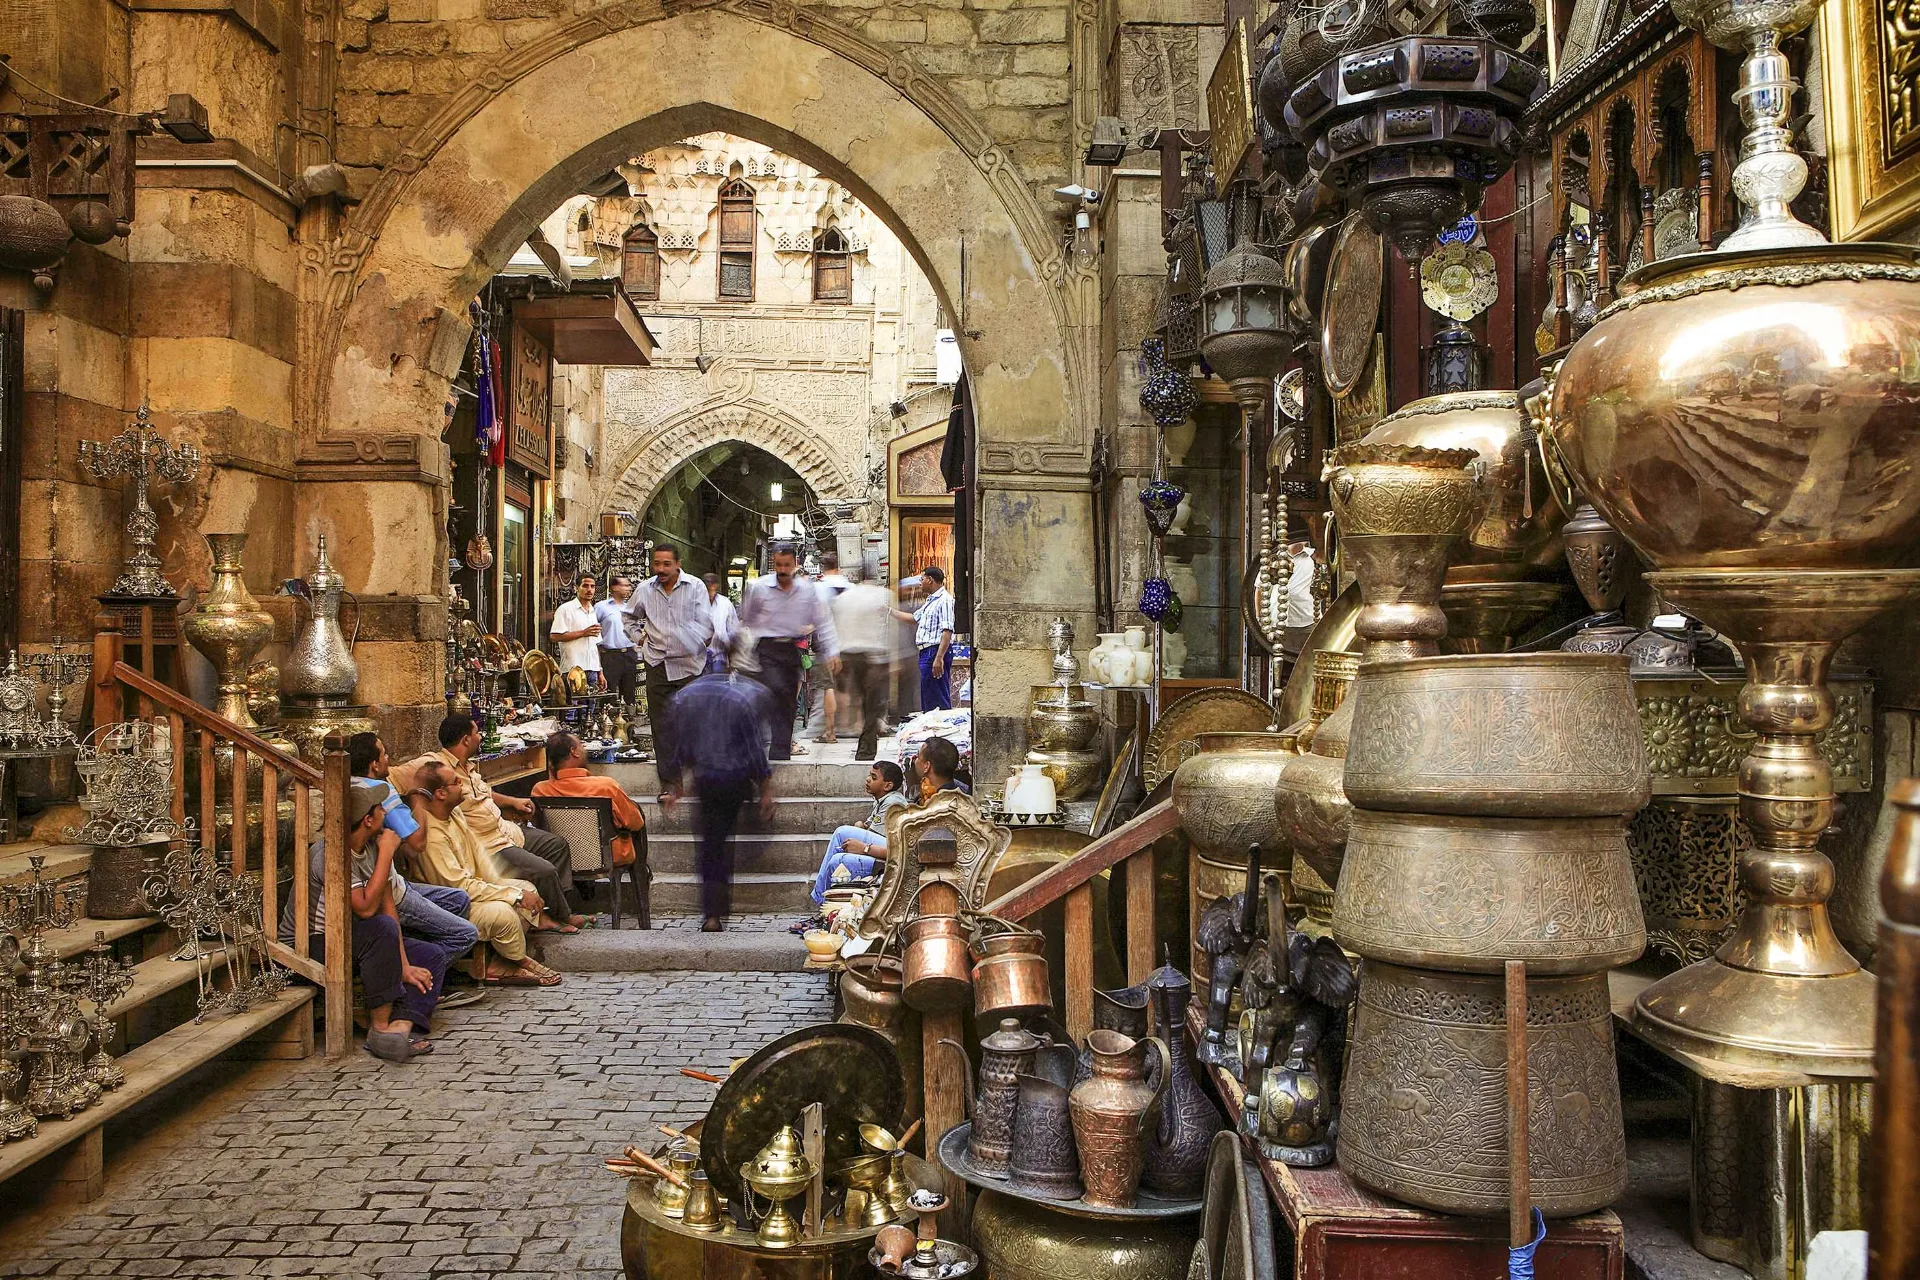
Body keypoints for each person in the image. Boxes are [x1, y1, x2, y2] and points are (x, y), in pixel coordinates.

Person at [281, 782, 450, 1062]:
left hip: (353, 937)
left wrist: (404, 965)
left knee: (433, 955)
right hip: (310, 944)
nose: (385, 811)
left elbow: (387, 907)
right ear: (368, 820)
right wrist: (387, 853)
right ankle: (380, 1026)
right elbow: (366, 909)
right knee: (379, 931)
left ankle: (399, 1028)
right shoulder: (330, 854)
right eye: (379, 808)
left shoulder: (371, 845)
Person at [397, 714, 584, 931]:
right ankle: (560, 917)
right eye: (477, 733)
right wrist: (415, 800)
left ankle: (554, 908)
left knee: (556, 845)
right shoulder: (436, 765)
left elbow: (486, 793)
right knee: (544, 870)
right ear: (466, 739)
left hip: (505, 830)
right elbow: (393, 778)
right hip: (489, 845)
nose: (480, 737)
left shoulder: (469, 766)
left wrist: (513, 801)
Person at [346, 733, 483, 986]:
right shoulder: (379, 791)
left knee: (458, 900)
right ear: (374, 765)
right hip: (388, 888)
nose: (389, 759)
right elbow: (417, 843)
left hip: (392, 881)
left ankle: (430, 966)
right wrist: (418, 799)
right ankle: (420, 979)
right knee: (465, 935)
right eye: (385, 754)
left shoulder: (346, 784)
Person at [661, 639, 778, 932]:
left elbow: (679, 745)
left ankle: (712, 912)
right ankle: (717, 907)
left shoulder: (687, 696)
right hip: (736, 780)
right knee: (721, 842)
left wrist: (676, 785)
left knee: (711, 845)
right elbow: (754, 748)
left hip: (706, 780)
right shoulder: (741, 697)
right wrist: (765, 788)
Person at [411, 761, 562, 987]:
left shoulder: (454, 815)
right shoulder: (432, 834)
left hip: (473, 887)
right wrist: (513, 896)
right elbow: (458, 888)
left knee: (528, 888)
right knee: (504, 913)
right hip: (452, 903)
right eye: (455, 783)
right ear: (440, 793)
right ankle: (512, 962)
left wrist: (510, 889)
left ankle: (503, 960)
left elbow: (480, 861)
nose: (461, 784)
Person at [740, 544, 840, 761]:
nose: (783, 570)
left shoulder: (807, 590)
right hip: (766, 648)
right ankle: (754, 744)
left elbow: (823, 620)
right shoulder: (760, 587)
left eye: (787, 565)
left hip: (791, 649)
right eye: (778, 565)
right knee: (773, 689)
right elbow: (746, 617)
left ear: (795, 564)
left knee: (788, 701)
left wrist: (833, 651)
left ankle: (780, 751)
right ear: (774, 564)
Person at [623, 544, 711, 782]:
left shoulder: (695, 587)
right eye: (657, 563)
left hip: (690, 666)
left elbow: (706, 623)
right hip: (657, 664)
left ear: (678, 564)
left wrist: (694, 641)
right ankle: (670, 783)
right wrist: (639, 638)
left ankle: (697, 777)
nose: (660, 569)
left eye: (666, 564)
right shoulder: (644, 589)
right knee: (662, 726)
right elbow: (628, 617)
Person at [531, 731, 647, 870]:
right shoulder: (606, 786)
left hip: (560, 857)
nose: (583, 749)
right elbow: (636, 823)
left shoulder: (540, 790)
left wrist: (552, 773)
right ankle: (641, 878)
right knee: (635, 816)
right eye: (581, 745)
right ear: (573, 751)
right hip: (608, 857)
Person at [806, 761, 907, 908]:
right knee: (837, 858)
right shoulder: (882, 800)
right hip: (884, 844)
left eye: (873, 777)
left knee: (842, 833)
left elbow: (873, 833)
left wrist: (861, 839)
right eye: (869, 775)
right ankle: (825, 904)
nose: (867, 779)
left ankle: (820, 900)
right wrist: (861, 827)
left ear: (887, 786)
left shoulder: (892, 802)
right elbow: (868, 827)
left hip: (891, 849)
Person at [833, 567, 895, 760]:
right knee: (873, 704)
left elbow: (836, 626)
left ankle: (860, 739)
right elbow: (890, 629)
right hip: (873, 657)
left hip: (849, 655)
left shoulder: (843, 598)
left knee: (858, 700)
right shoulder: (883, 595)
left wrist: (835, 655)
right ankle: (866, 747)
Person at [894, 565, 954, 712]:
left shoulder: (944, 600)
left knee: (937, 695)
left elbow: (947, 631)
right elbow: (914, 618)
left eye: (922, 579)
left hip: (934, 651)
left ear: (930, 580)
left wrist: (939, 657)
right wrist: (889, 611)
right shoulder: (930, 601)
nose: (920, 583)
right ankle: (932, 729)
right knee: (929, 694)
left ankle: (940, 730)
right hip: (926, 652)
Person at [812, 555, 850, 744]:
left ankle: (830, 731)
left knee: (828, 688)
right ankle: (848, 727)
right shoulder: (850, 586)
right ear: (838, 566)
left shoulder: (818, 588)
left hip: (827, 645)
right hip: (849, 644)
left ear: (822, 567)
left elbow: (818, 619)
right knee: (844, 688)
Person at [550, 574, 604, 688]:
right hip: (572, 669)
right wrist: (583, 633)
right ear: (576, 588)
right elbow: (554, 636)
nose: (589, 590)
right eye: (585, 586)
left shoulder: (592, 611)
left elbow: (594, 646)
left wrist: (600, 671)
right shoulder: (565, 609)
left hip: (592, 670)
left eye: (592, 586)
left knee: (591, 705)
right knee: (574, 704)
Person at [597, 574, 641, 704]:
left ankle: (629, 719)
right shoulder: (601, 607)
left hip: (629, 654)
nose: (629, 588)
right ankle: (607, 719)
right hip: (610, 655)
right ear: (614, 587)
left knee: (629, 691)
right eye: (625, 585)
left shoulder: (630, 608)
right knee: (609, 691)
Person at [1282, 541, 1317, 660]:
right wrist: (1260, 617)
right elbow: (1260, 588)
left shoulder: (1314, 557)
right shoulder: (1276, 557)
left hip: (1307, 620)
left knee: (1309, 660)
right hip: (1281, 622)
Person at [909, 735, 965, 804]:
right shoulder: (962, 790)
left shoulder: (939, 808)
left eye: (918, 756)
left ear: (926, 766)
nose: (915, 758)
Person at [705, 573, 738, 673]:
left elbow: (733, 629)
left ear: (715, 586)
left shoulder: (725, 603)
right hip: (700, 657)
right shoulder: (696, 602)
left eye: (710, 586)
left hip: (719, 655)